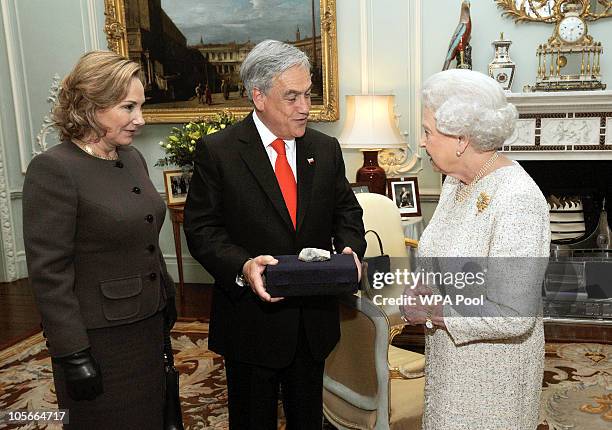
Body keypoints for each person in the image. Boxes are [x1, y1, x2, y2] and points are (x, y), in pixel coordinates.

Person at [184, 40, 366, 429]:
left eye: (308, 94)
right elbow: (201, 229)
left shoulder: (325, 148)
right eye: (292, 97)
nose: (305, 107)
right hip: (251, 325)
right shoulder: (219, 152)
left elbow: (346, 211)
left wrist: (350, 248)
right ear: (259, 97)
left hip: (312, 323)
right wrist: (243, 265)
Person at [22, 51, 177, 429]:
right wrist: (72, 353)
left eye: (141, 106)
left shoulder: (133, 158)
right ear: (90, 105)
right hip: (99, 340)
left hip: (148, 324)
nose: (140, 119)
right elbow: (49, 274)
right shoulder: (54, 169)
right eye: (128, 107)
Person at [401, 69, 550, 429]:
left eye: (427, 131)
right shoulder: (456, 181)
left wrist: (436, 310)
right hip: (450, 368)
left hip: (493, 382)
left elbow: (514, 313)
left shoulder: (518, 200)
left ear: (461, 139)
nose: (422, 142)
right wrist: (421, 291)